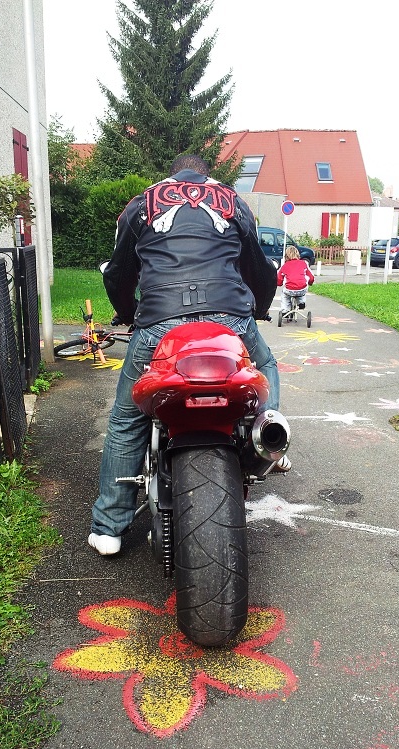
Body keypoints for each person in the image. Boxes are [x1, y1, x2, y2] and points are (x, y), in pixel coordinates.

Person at [89, 153, 287, 556]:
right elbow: (259, 267)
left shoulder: (142, 202)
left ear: (172, 173)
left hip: (159, 319)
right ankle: (266, 437)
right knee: (264, 364)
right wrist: (258, 308)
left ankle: (109, 527)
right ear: (205, 174)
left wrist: (128, 313)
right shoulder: (233, 201)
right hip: (229, 318)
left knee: (127, 417)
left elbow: (119, 271)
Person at [277, 245, 314, 315]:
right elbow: (311, 277)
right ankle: (301, 302)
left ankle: (285, 310)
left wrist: (279, 283)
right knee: (302, 291)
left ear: (286, 256)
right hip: (301, 288)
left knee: (285, 295)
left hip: (289, 289)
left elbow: (279, 278)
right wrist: (310, 283)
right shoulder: (304, 263)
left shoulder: (285, 266)